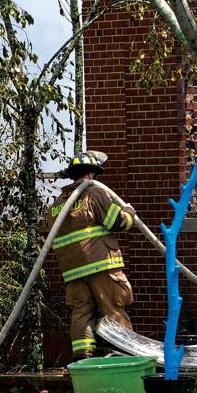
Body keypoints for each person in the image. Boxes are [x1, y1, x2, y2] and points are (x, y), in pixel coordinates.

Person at [44, 151, 136, 361]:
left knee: (81, 313)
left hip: (72, 271)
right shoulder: (95, 194)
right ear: (92, 174)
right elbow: (117, 223)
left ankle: (83, 357)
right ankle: (124, 355)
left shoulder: (57, 204)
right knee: (113, 307)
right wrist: (129, 212)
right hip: (101, 265)